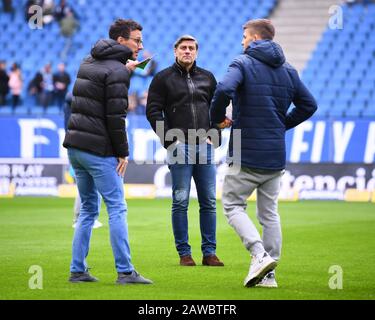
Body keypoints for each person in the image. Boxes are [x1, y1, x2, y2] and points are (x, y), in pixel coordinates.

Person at [210, 19, 317, 287]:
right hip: (274, 155)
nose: (242, 41)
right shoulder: (288, 70)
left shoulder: (242, 63)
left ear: (256, 38)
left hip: (244, 153)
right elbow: (309, 105)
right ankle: (269, 275)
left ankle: (259, 255)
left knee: (233, 205)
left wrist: (217, 117)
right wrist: (281, 125)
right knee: (269, 214)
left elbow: (223, 89)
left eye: (245, 36)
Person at [63, 19, 152, 285]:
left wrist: (125, 70)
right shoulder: (117, 71)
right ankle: (125, 272)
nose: (140, 45)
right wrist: (123, 153)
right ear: (121, 41)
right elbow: (116, 117)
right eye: (136, 40)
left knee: (89, 210)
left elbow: (102, 83)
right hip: (98, 149)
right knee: (117, 208)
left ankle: (77, 270)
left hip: (76, 147)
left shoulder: (88, 61)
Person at [146, 35, 224, 267]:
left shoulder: (208, 78)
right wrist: (170, 141)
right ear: (175, 51)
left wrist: (215, 136)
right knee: (180, 201)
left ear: (196, 52)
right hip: (179, 146)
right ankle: (184, 254)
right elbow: (153, 112)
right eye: (183, 48)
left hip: (205, 146)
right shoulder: (162, 79)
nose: (187, 51)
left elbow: (217, 109)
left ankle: (209, 253)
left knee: (208, 201)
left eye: (191, 48)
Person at [63, 92, 102, 229]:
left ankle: (85, 217)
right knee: (87, 185)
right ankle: (81, 217)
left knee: (88, 185)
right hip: (81, 145)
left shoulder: (74, 104)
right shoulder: (74, 99)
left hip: (76, 144)